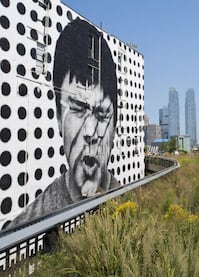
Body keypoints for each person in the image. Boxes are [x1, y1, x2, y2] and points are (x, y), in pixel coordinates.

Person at [9, 18, 119, 227]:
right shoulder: (26, 223)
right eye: (77, 109)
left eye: (102, 114)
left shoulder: (127, 199)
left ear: (115, 125)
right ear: (59, 117)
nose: (90, 131)